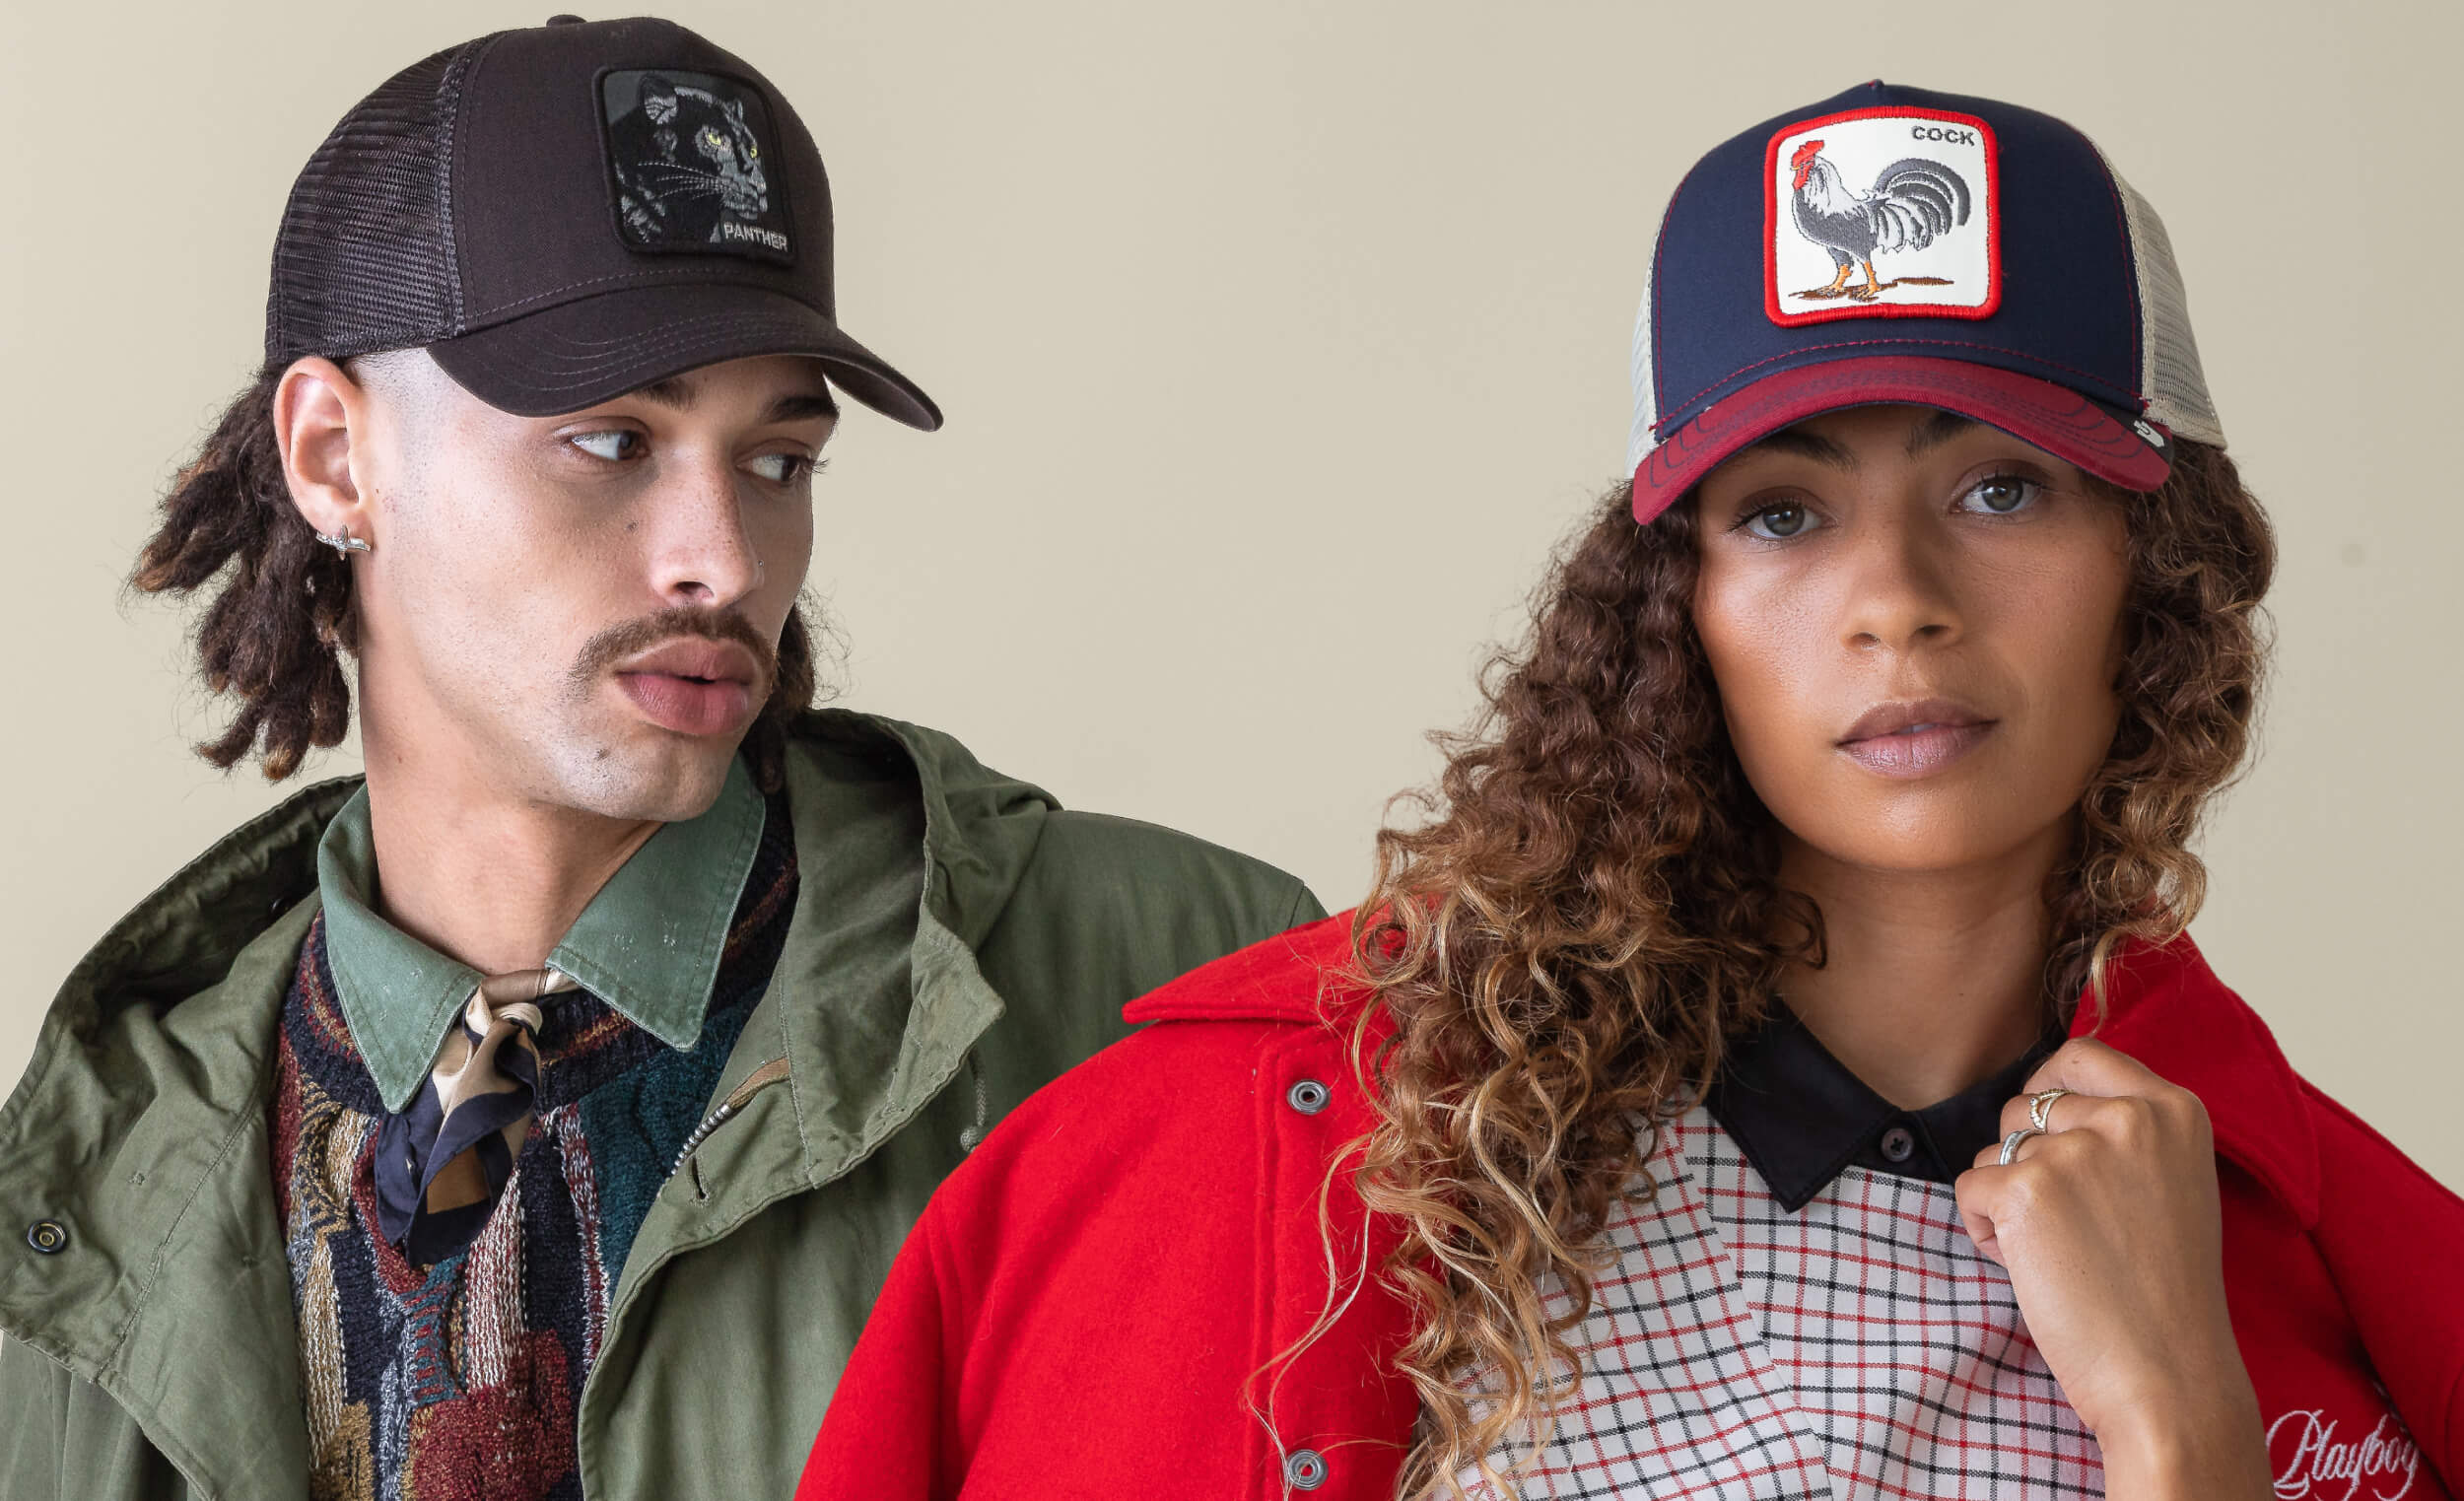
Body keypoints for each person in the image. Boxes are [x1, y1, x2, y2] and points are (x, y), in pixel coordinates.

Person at [800, 82, 2462, 1500]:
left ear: (2155, 576)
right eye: (1786, 514)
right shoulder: (1243, 1165)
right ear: (1672, 610)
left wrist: (2182, 1425)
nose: (1896, 597)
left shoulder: (2345, 1266)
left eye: (2002, 485)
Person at [0, 17, 1320, 1500]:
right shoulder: (94, 1191)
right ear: (331, 456)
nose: (722, 561)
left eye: (777, 461)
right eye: (610, 443)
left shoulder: (1195, 1001)